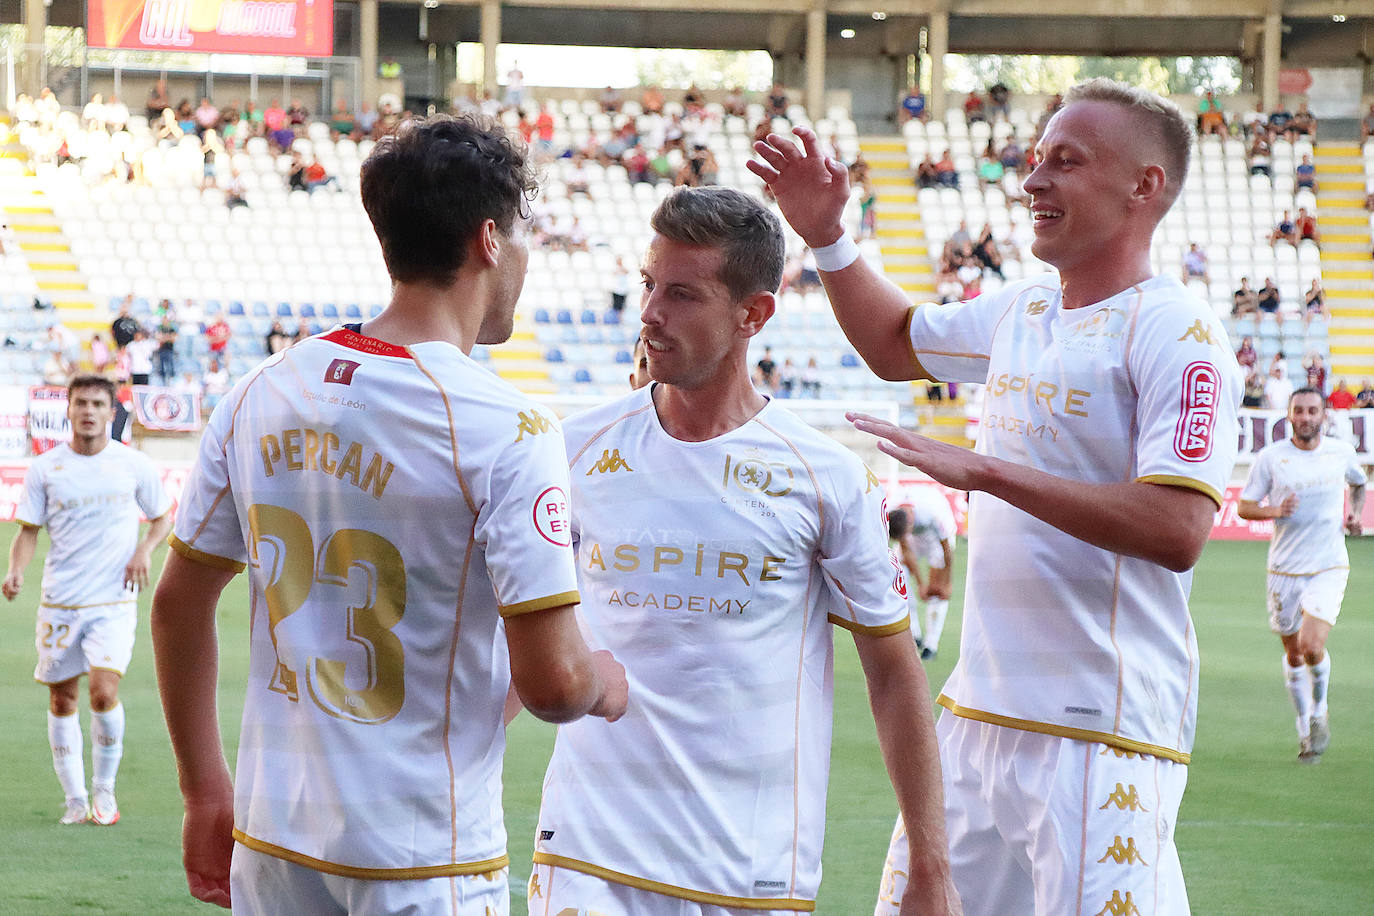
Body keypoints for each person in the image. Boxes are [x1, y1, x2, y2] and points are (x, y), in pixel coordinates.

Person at [750, 77, 1243, 915]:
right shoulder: (1024, 309)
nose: (1033, 179)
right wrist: (830, 237)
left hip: (1100, 732)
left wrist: (985, 472)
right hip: (976, 720)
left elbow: (1179, 526)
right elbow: (894, 342)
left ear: (1144, 186)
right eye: (1036, 157)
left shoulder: (1179, 331)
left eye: (1066, 161)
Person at [150, 114, 627, 912]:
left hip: (275, 846)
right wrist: (605, 683)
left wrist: (204, 793)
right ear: (488, 240)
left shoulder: (262, 391)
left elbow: (177, 604)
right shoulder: (508, 426)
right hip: (421, 858)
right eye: (524, 236)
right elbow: (553, 683)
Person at [527, 187, 957, 914]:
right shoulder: (571, 450)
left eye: (683, 295)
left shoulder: (824, 476)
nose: (651, 313)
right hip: (585, 860)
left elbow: (893, 675)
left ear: (753, 314)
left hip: (748, 874)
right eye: (648, 285)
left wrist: (931, 865)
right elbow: (517, 641)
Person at [3, 375, 173, 826]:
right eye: (81, 403)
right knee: (62, 699)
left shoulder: (132, 464)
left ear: (111, 411)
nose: (89, 411)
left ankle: (104, 791)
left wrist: (143, 550)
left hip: (114, 602)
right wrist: (16, 569)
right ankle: (74, 798)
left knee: (103, 692)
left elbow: (162, 519)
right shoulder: (46, 468)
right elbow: (27, 532)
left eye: (98, 403)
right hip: (60, 602)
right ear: (69, 410)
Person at [1238, 389, 1365, 763]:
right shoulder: (1271, 458)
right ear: (1289, 416)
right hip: (1284, 571)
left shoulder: (1340, 452)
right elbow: (1245, 507)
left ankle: (1319, 711)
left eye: (1312, 410)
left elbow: (1358, 483)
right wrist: (1275, 509)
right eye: (1299, 411)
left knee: (1312, 647)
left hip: (1328, 565)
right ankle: (1303, 726)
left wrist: (1355, 514)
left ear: (1324, 415)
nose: (1306, 416)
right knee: (1293, 655)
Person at [889, 487, 956, 660]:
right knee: (898, 577)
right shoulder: (892, 513)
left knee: (936, 591)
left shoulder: (932, 513)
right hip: (912, 534)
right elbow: (906, 551)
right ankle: (914, 634)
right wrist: (920, 584)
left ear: (910, 521)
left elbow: (947, 552)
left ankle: (931, 644)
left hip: (937, 539)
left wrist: (946, 583)